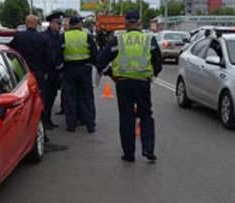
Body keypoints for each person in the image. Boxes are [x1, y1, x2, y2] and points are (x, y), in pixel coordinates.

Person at [97, 10, 162, 163]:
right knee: (146, 115)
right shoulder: (149, 40)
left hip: (123, 83)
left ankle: (129, 154)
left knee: (127, 118)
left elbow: (101, 61)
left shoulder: (118, 40)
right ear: (139, 23)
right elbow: (158, 63)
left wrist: (111, 74)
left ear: (126, 23)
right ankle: (148, 149)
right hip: (143, 83)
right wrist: (152, 75)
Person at [9, 15, 55, 128]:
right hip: (39, 74)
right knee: (39, 101)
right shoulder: (43, 39)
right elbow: (50, 59)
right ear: (37, 24)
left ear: (25, 24)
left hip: (22, 75)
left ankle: (24, 126)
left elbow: (10, 53)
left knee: (24, 102)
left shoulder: (18, 37)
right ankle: (41, 124)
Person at [60, 14, 97, 133]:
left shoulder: (64, 36)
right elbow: (94, 52)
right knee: (86, 97)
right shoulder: (87, 36)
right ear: (80, 24)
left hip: (69, 69)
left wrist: (60, 67)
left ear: (70, 25)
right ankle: (90, 124)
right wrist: (93, 63)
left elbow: (58, 53)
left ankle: (71, 124)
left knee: (70, 97)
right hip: (84, 69)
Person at [43, 13, 65, 127]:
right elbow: (48, 55)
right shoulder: (46, 36)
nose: (60, 26)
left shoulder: (57, 36)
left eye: (60, 24)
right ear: (51, 23)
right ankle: (45, 121)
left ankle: (48, 120)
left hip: (56, 72)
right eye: (58, 23)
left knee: (52, 97)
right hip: (48, 71)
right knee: (46, 98)